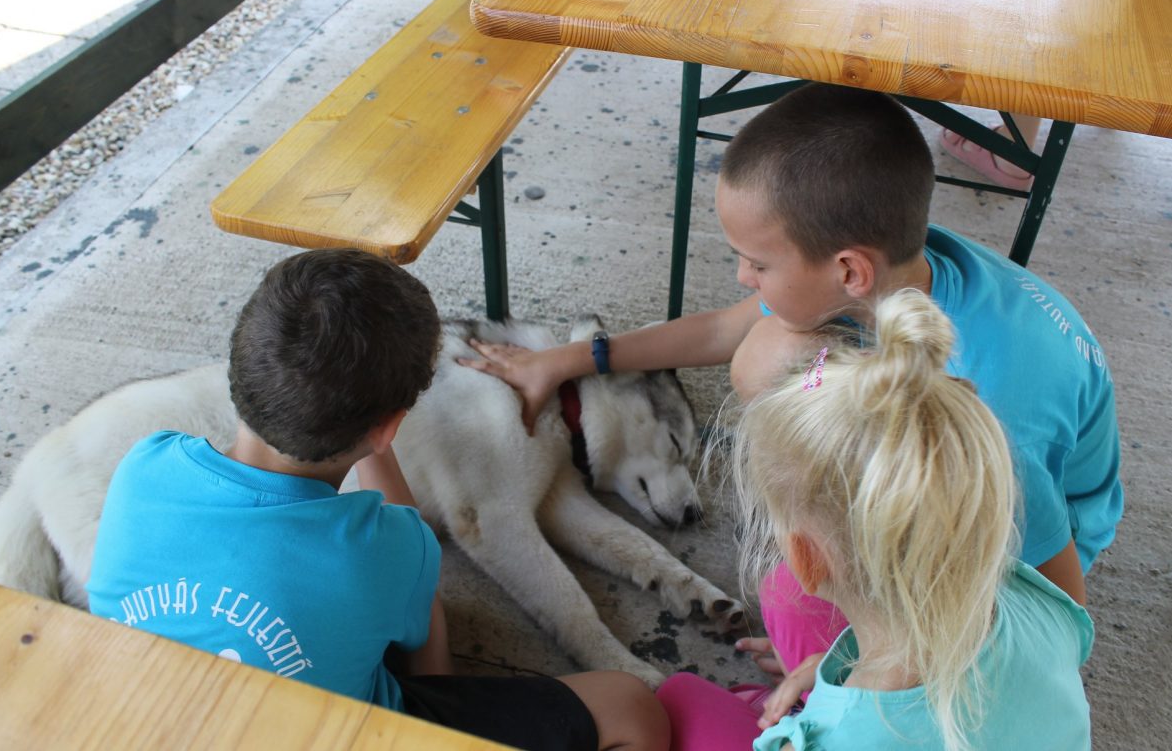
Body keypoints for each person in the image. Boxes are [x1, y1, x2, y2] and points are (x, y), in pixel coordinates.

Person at [460, 82, 1121, 678]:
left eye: (757, 264)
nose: (743, 278)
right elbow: (722, 331)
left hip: (1006, 525)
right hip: (943, 443)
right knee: (767, 359)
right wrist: (568, 360)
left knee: (793, 600)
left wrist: (866, 659)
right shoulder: (881, 258)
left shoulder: (997, 419)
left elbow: (1059, 612)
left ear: (849, 272)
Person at [85, 248, 669, 751]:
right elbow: (413, 604)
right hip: (353, 732)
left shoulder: (144, 464)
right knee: (630, 705)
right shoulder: (383, 551)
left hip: (148, 724)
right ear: (389, 428)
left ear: (240, 365)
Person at [659, 289, 1093, 750]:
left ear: (806, 558)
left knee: (677, 698)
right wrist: (829, 671)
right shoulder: (1034, 599)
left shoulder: (828, 740)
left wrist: (813, 719)